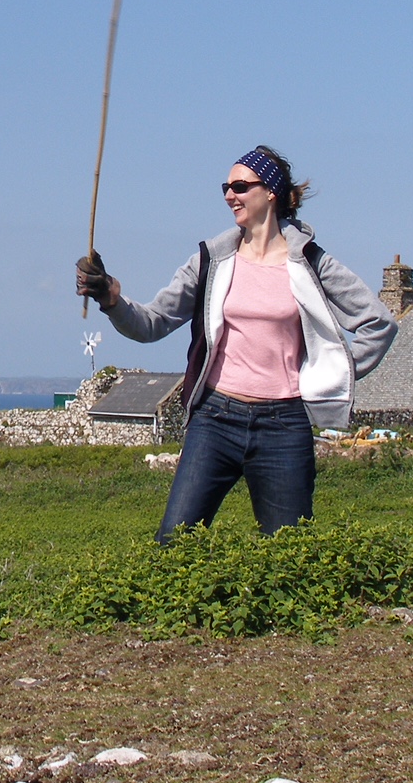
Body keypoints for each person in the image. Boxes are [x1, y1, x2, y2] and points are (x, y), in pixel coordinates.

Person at [76, 146, 396, 543]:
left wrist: (329, 377)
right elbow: (152, 324)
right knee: (174, 543)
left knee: (289, 554)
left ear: (272, 193)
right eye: (226, 187)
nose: (230, 195)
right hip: (215, 418)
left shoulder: (312, 262)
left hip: (284, 423)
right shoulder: (212, 259)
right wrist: (110, 298)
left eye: (241, 186)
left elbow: (379, 325)